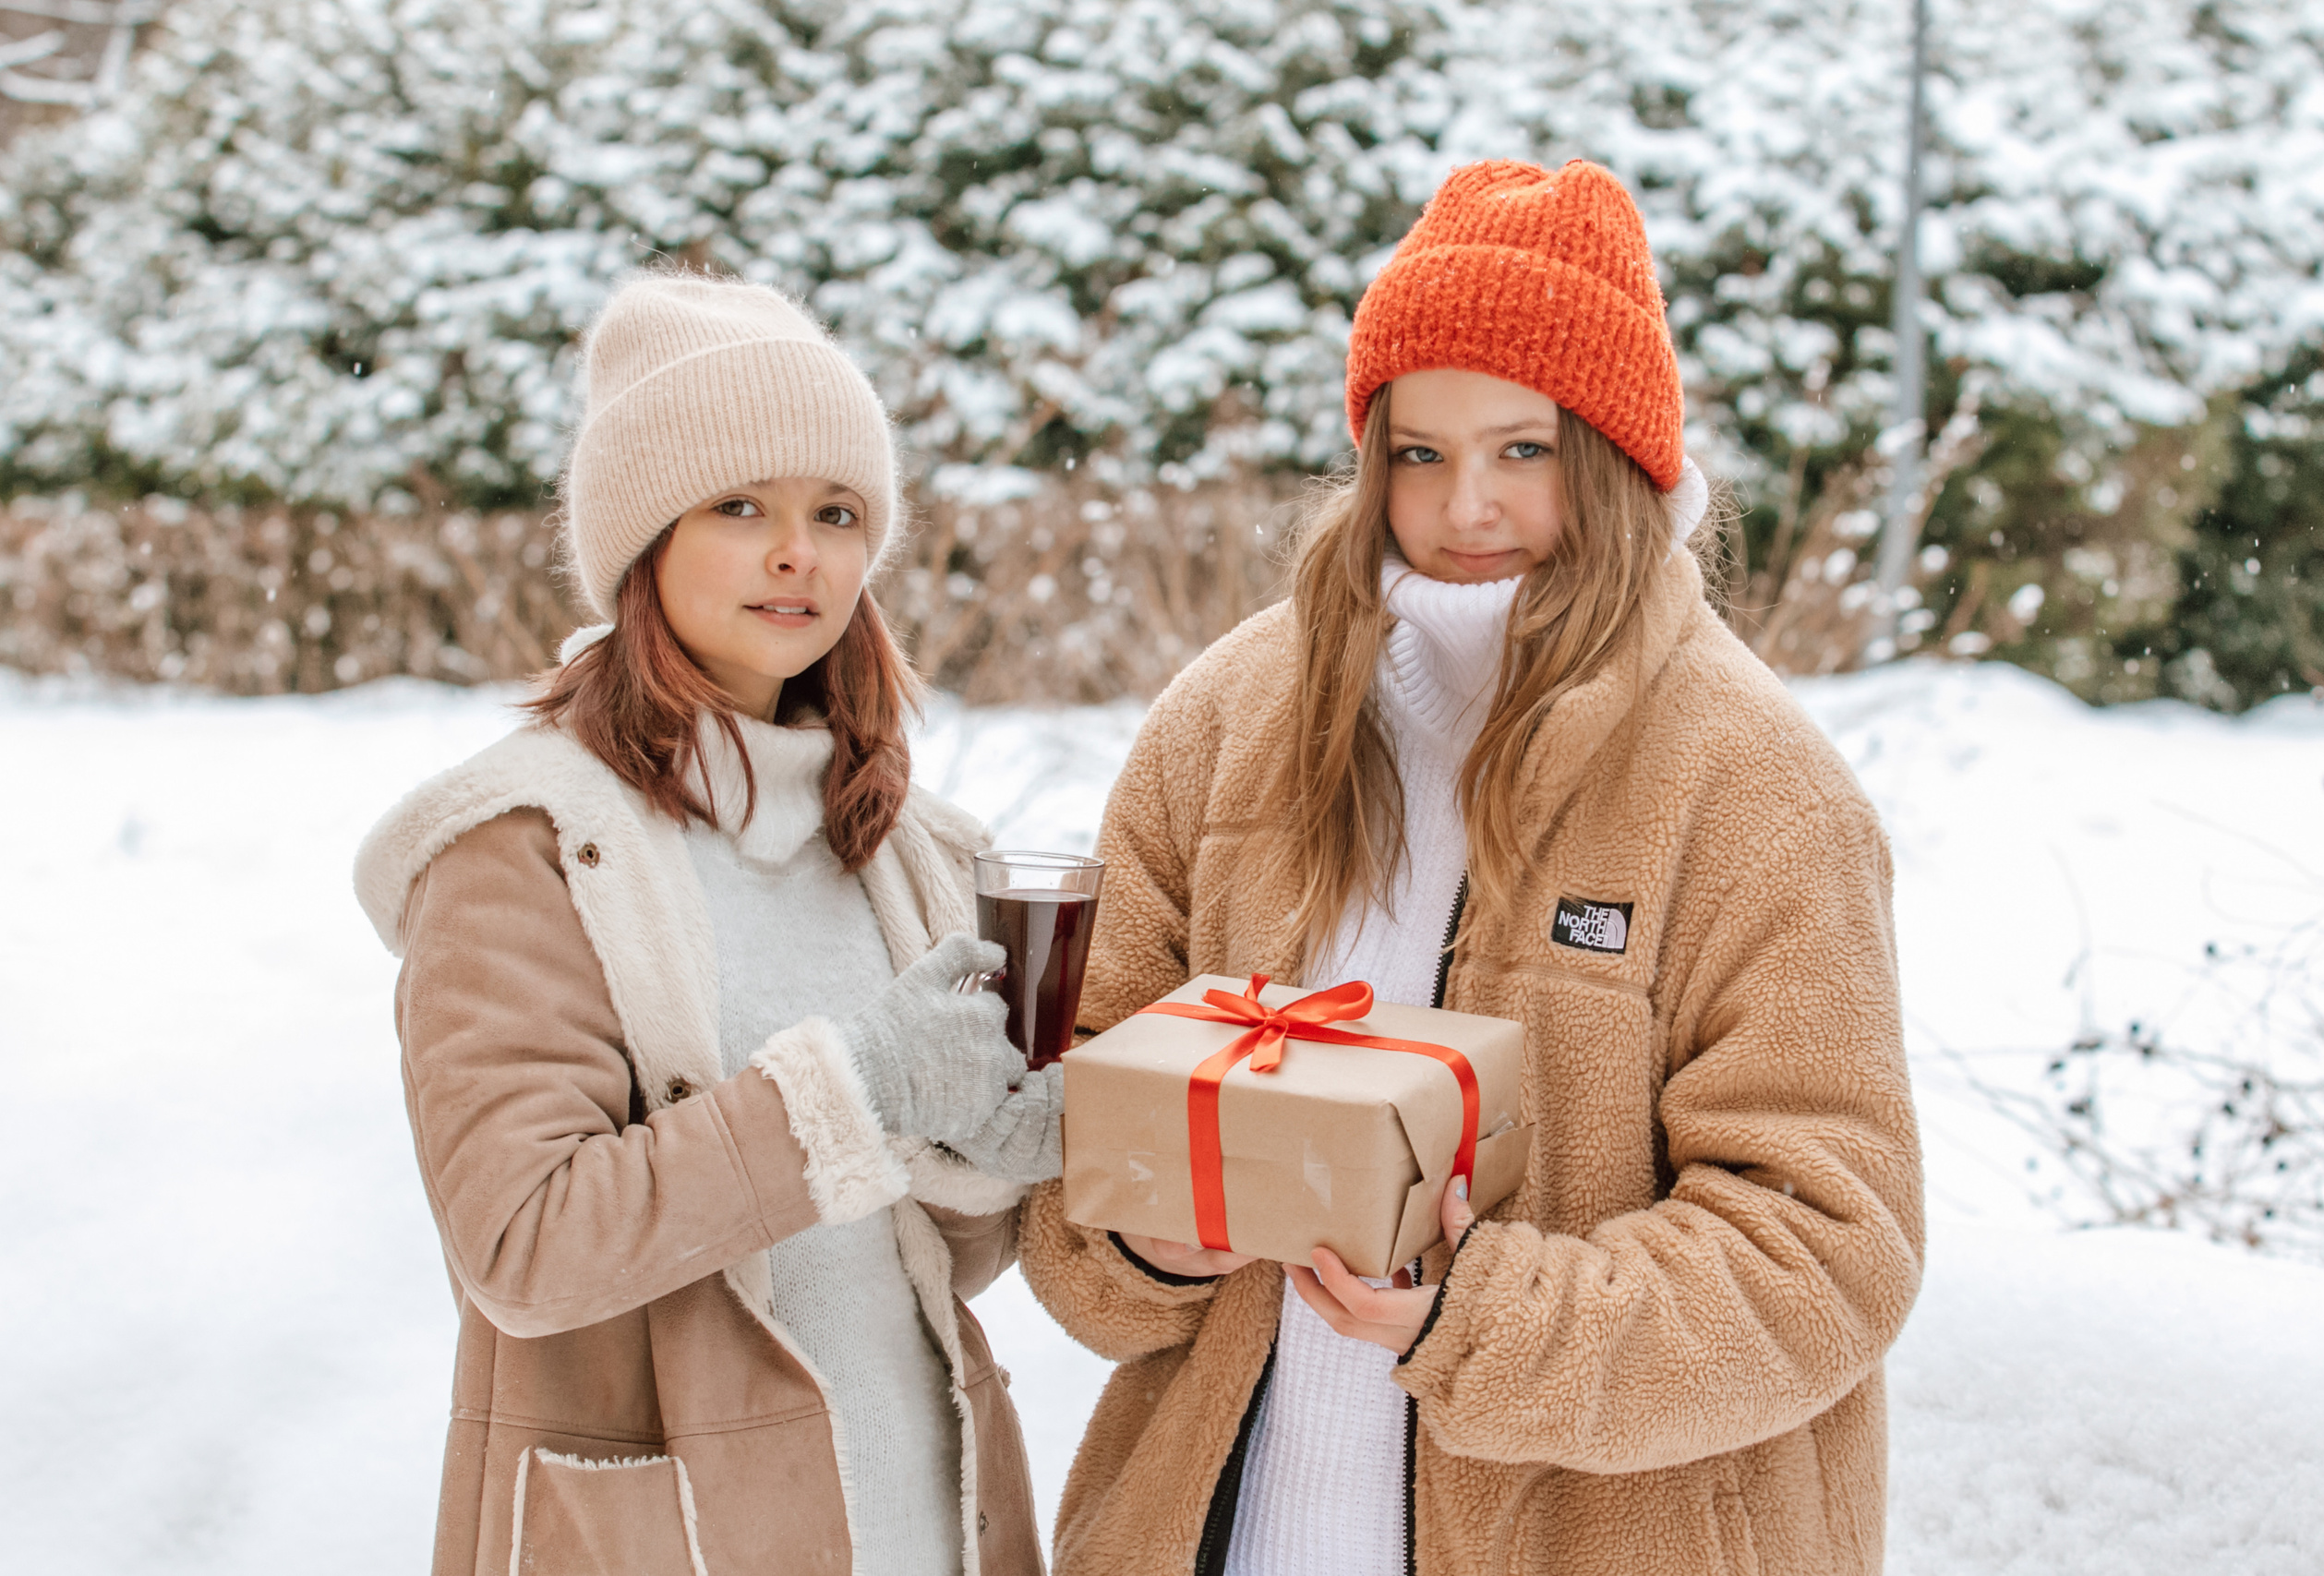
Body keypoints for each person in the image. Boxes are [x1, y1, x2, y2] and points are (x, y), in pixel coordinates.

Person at [1018, 160, 1925, 1575]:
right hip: (1224, 1532)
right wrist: (1146, 1237)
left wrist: (1478, 1318)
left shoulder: (1757, 786)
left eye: (1524, 449)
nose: (1465, 507)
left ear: (1620, 461)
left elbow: (1826, 1249)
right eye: (1420, 452)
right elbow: (1074, 1093)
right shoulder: (1232, 717)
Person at [354, 273, 1061, 1576]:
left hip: (926, 1512)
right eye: (741, 506)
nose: (800, 552)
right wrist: (861, 1085)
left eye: (835, 512)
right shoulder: (526, 848)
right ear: (644, 545)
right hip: (671, 1533)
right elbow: (526, 1243)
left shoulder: (910, 849)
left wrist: (981, 1154)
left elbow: (914, 1264)